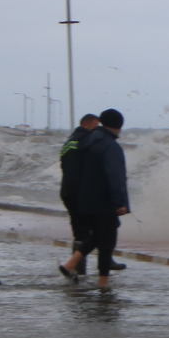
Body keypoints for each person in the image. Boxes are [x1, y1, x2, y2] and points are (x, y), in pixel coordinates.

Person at [71, 109, 130, 283]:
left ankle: (101, 279)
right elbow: (115, 176)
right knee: (105, 237)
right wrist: (120, 202)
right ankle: (78, 268)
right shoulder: (110, 145)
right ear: (119, 125)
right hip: (104, 200)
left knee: (101, 236)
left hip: (86, 198)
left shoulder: (88, 141)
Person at [57, 113, 101, 280]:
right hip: (79, 192)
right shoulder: (84, 141)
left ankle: (77, 269)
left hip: (68, 190)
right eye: (96, 126)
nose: (97, 130)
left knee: (80, 230)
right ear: (87, 124)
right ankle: (76, 268)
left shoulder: (69, 142)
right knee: (95, 229)